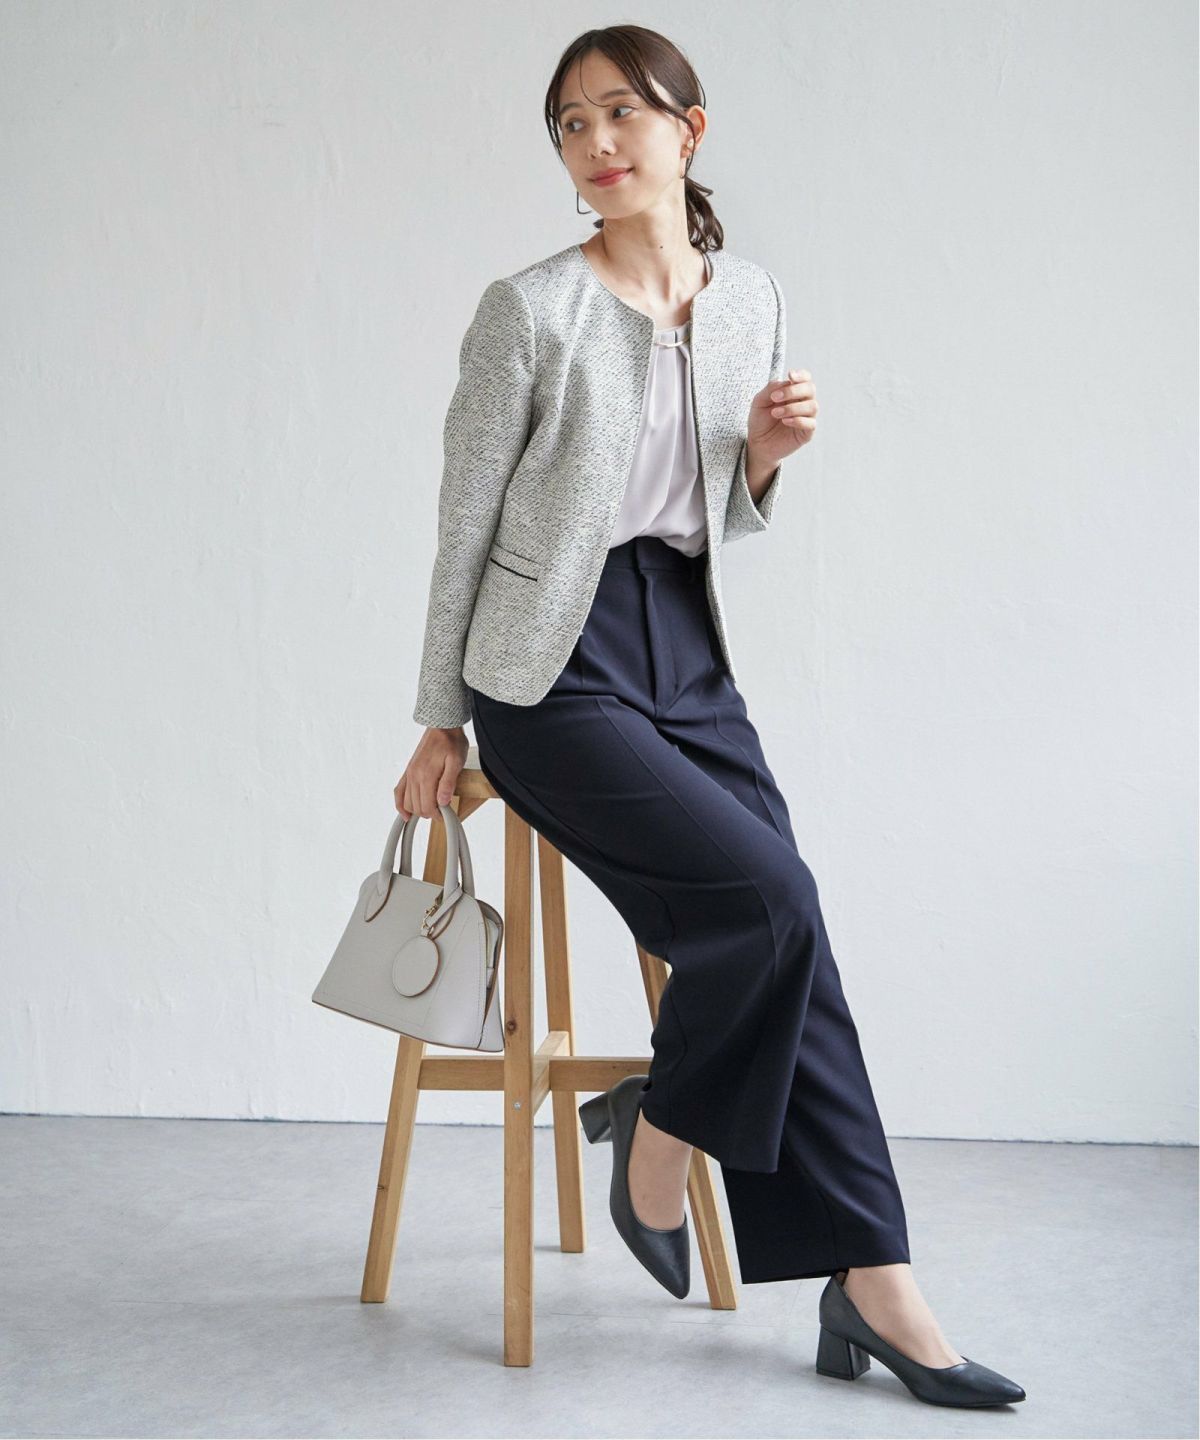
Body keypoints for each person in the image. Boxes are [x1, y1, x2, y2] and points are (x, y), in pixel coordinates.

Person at [396, 25, 1025, 1411]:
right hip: (548, 671)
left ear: (690, 127)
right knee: (773, 901)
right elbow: (463, 527)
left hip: (684, 643)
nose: (596, 142)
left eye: (622, 112)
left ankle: (873, 1282)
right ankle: (664, 1137)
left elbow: (710, 511)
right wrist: (440, 718)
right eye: (571, 123)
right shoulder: (527, 311)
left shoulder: (749, 301)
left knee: (794, 937)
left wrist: (769, 463)